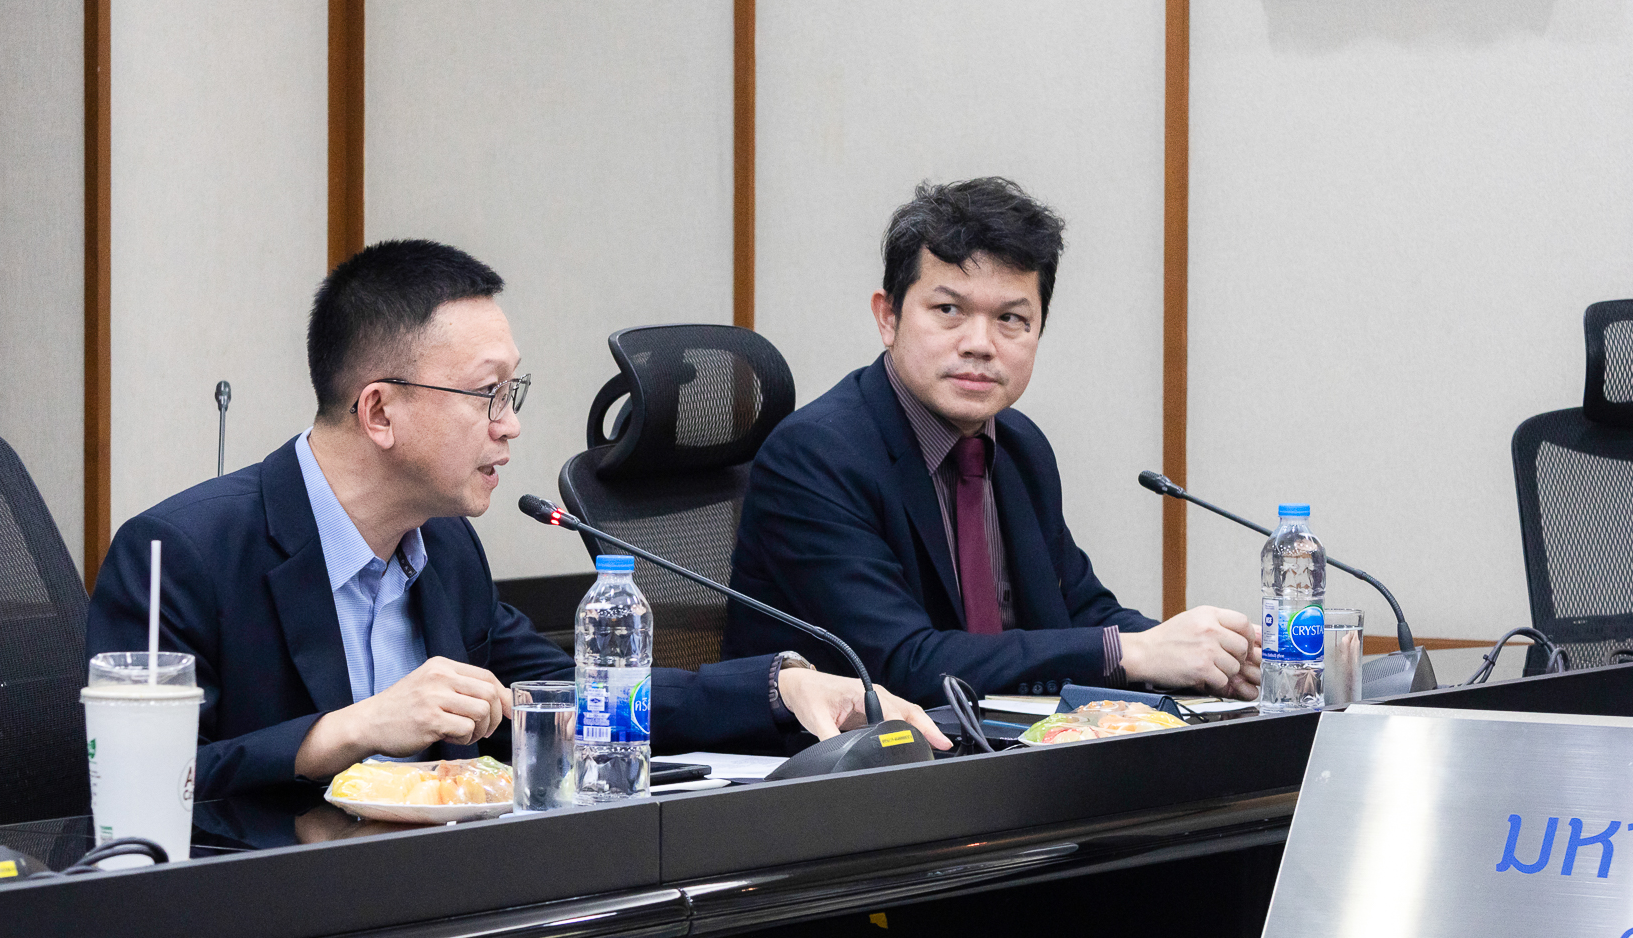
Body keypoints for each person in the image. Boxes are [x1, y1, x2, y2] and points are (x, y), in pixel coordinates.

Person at [88, 239, 944, 799]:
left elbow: (580, 698)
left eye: (513, 391)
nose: (512, 424)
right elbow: (136, 788)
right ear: (379, 410)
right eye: (487, 394)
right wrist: (346, 731)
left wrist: (778, 686)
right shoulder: (183, 552)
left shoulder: (445, 549)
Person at [722, 178, 1262, 708]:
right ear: (888, 318)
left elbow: (1082, 613)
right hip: (842, 758)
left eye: (1010, 319)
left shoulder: (1020, 446)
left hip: (1002, 750)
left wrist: (1213, 656)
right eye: (949, 311)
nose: (980, 344)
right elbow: (901, 664)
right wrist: (1132, 653)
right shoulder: (815, 456)